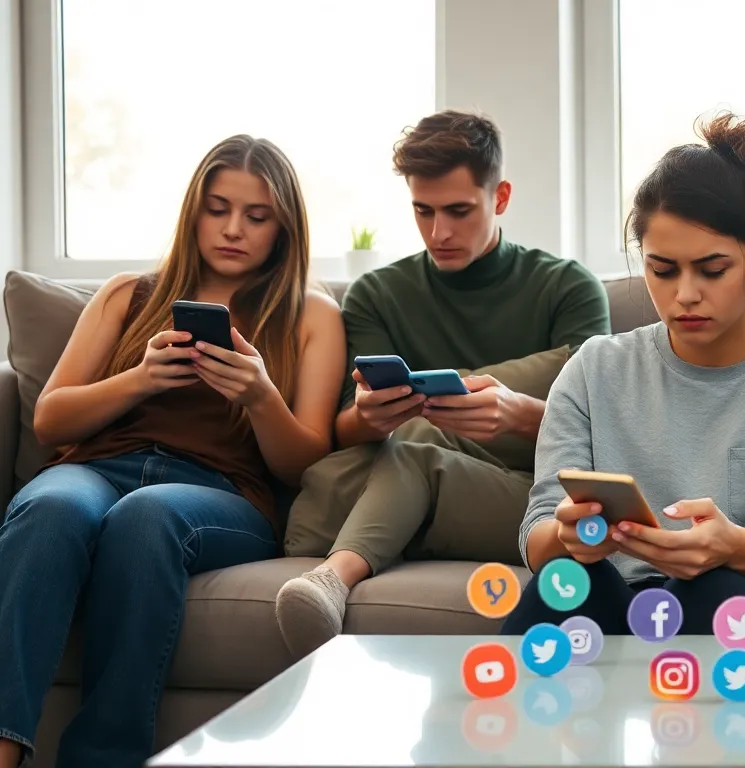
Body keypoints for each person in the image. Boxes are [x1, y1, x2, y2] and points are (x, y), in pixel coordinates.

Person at [0, 135, 345, 768]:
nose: (233, 228)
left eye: (257, 215)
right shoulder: (128, 294)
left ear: (285, 228)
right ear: (194, 211)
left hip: (218, 492)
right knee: (49, 508)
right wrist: (142, 378)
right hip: (96, 469)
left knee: (148, 515)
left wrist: (262, 397)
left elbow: (304, 462)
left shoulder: (311, 314)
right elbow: (50, 420)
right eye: (218, 208)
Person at [501, 113, 745, 637]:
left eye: (713, 270)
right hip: (623, 611)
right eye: (663, 270)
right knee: (561, 581)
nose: (686, 294)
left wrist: (734, 547)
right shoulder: (593, 369)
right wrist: (570, 536)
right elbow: (538, 536)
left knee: (709, 586)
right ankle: (494, 719)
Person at [275, 109, 610, 657]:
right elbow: (339, 430)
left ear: (499, 197)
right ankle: (372, 540)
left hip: (527, 497)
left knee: (415, 443)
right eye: (422, 211)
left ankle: (335, 573)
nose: (439, 232)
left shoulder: (567, 288)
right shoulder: (376, 294)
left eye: (459, 210)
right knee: (411, 441)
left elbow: (604, 437)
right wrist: (368, 416)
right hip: (410, 470)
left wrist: (520, 414)